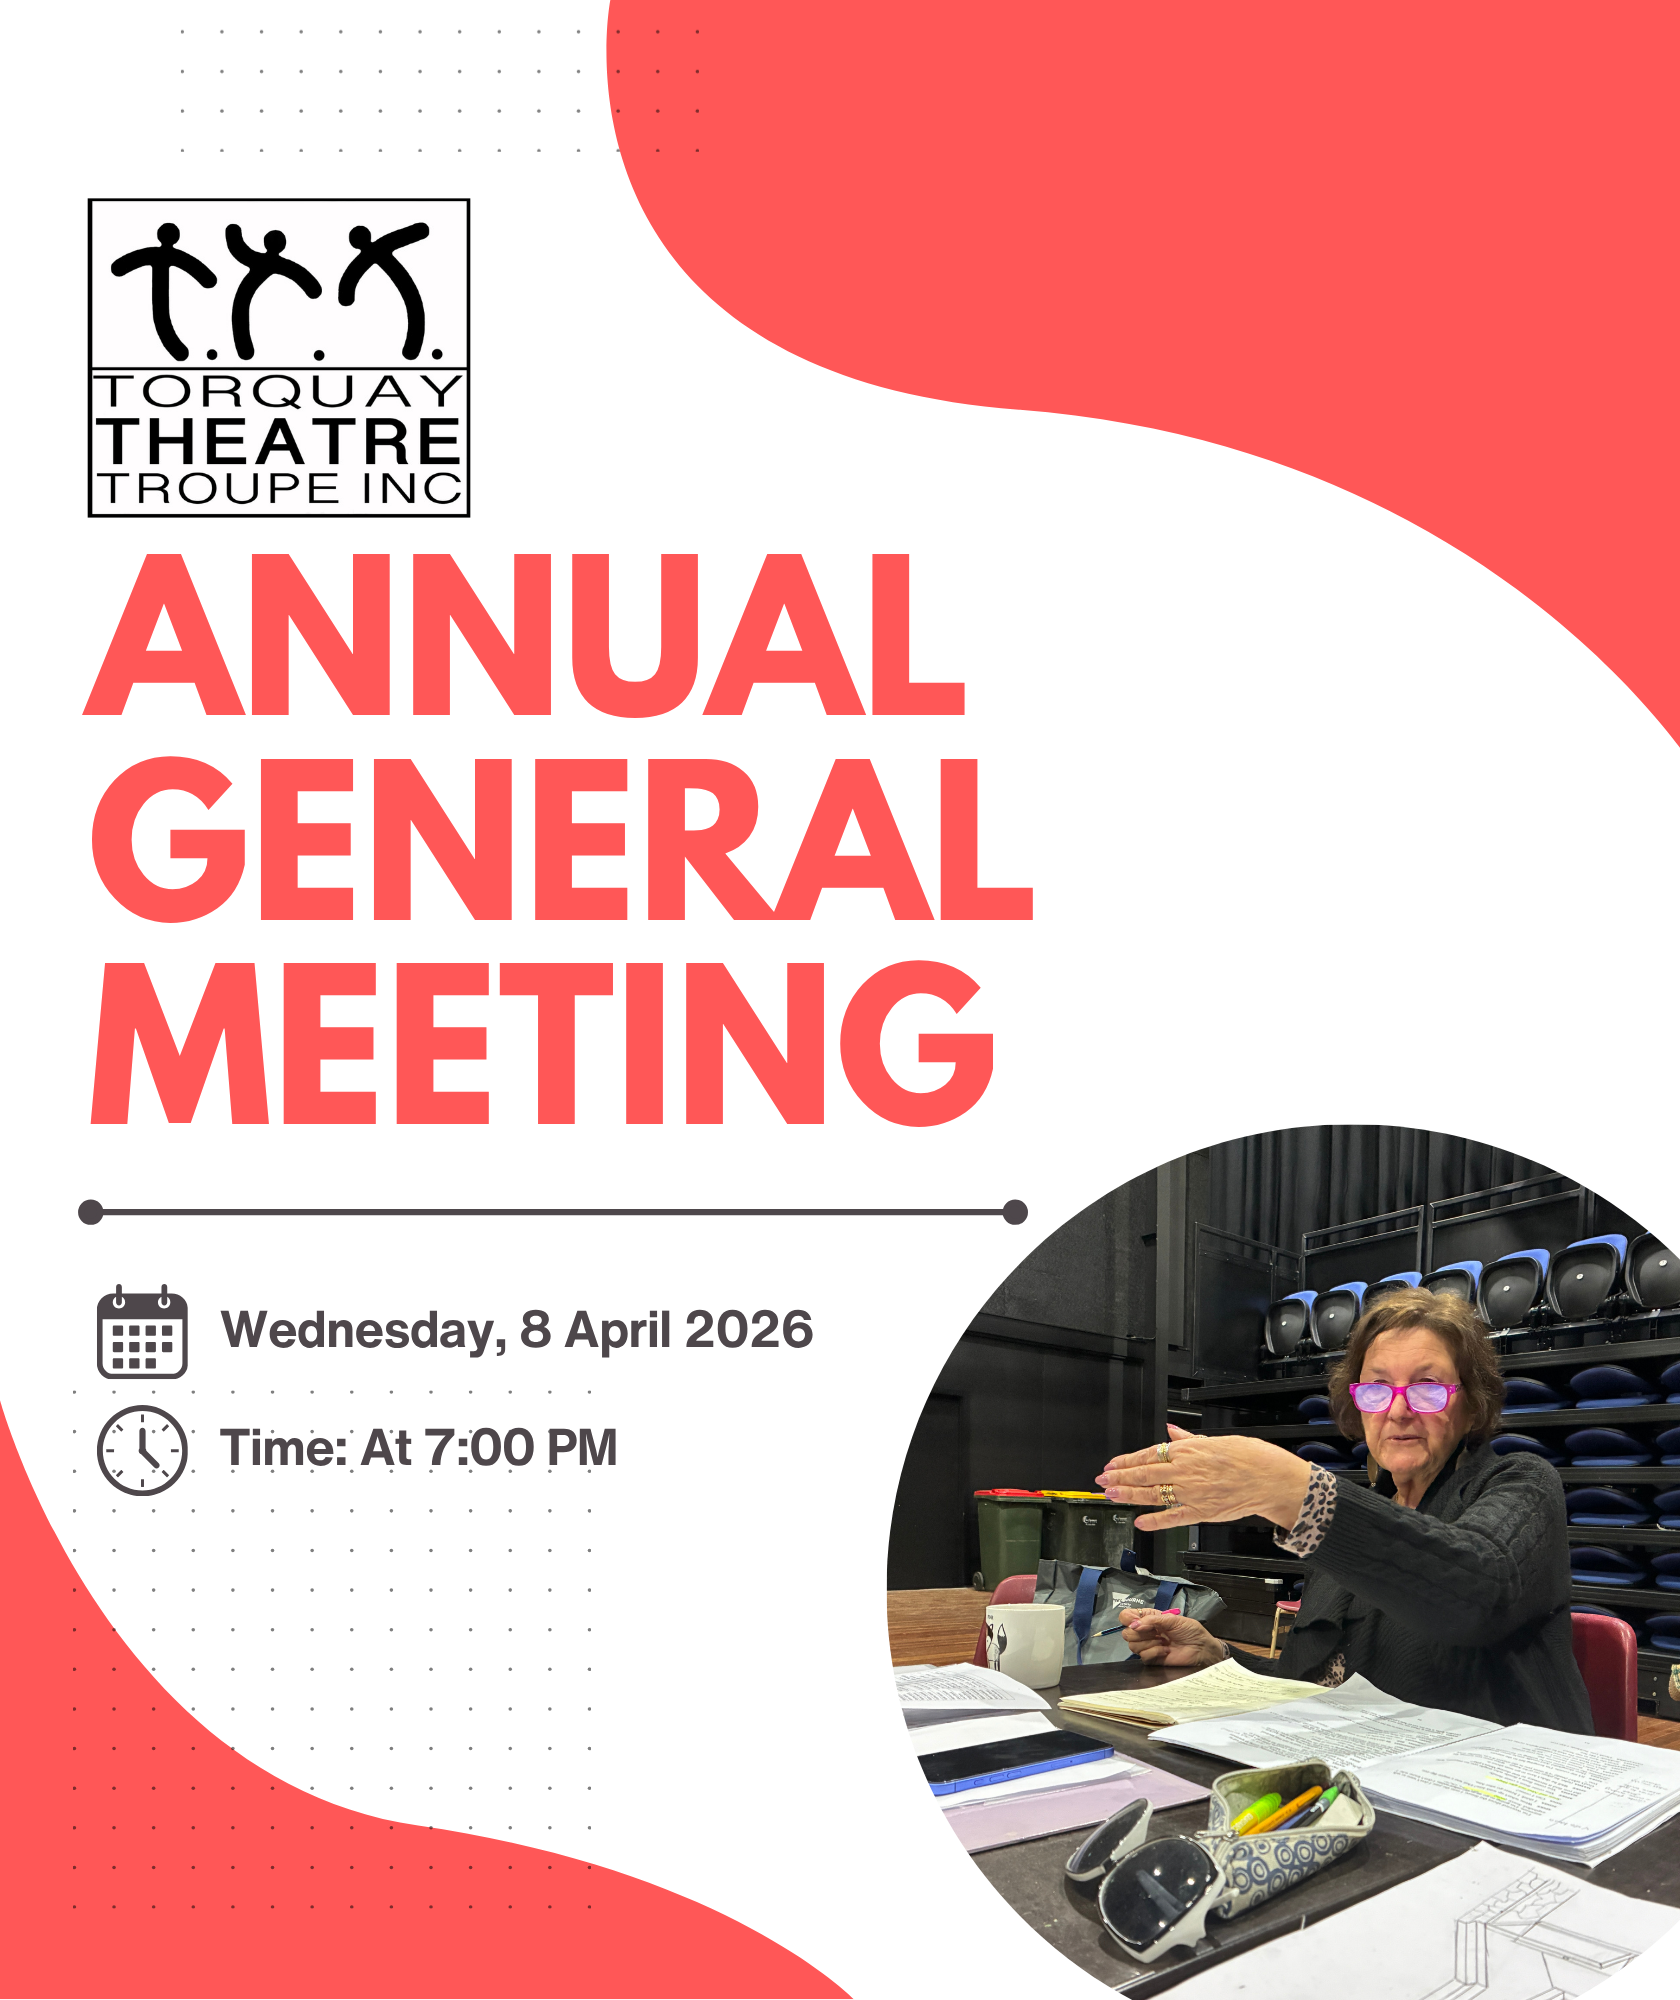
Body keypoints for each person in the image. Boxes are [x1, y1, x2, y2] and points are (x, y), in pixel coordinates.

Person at [1095, 1288, 1593, 1732]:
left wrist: (1295, 1493)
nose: (1398, 1411)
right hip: (1379, 1774)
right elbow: (1318, 1682)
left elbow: (1477, 1591)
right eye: (1377, 1388)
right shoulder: (1354, 1519)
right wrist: (1218, 1655)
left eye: (1427, 1388)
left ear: (1471, 1405)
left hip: (1510, 1792)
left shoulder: (1521, 1482)